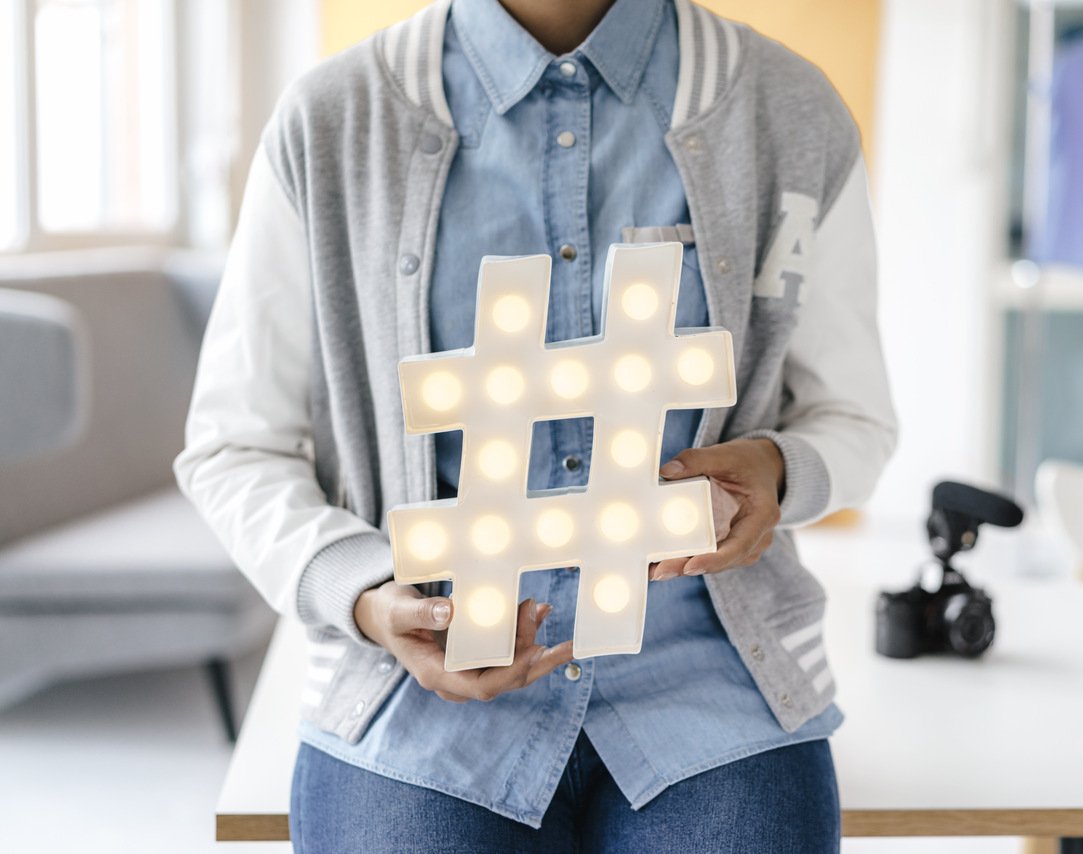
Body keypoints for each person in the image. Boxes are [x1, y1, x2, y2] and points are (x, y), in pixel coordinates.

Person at [174, 0, 896, 850]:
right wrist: (364, 594)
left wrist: (776, 471)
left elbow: (852, 418)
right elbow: (235, 444)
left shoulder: (786, 108)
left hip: (707, 678)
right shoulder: (332, 119)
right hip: (418, 689)